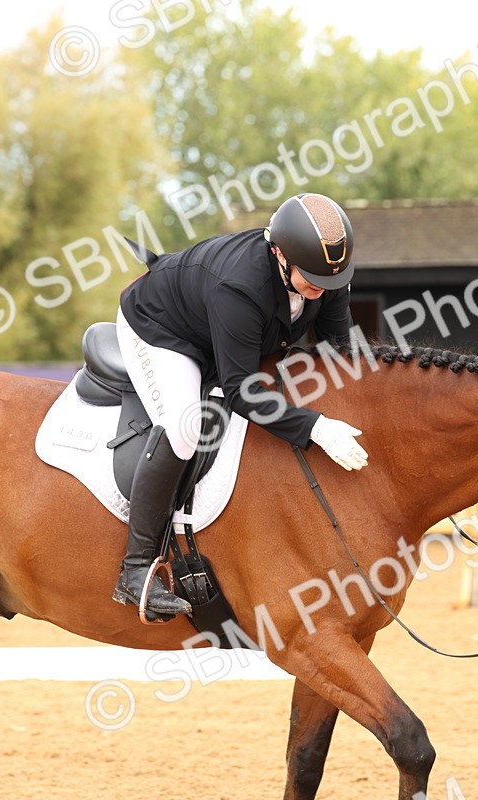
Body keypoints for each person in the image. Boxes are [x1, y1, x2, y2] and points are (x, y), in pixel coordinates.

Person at [113, 193, 369, 623]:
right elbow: (241, 392)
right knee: (184, 427)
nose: (319, 289)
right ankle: (135, 571)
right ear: (278, 253)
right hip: (162, 329)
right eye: (309, 279)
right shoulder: (241, 284)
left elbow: (339, 351)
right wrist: (317, 428)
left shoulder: (327, 275)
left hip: (227, 330)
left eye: (328, 280)